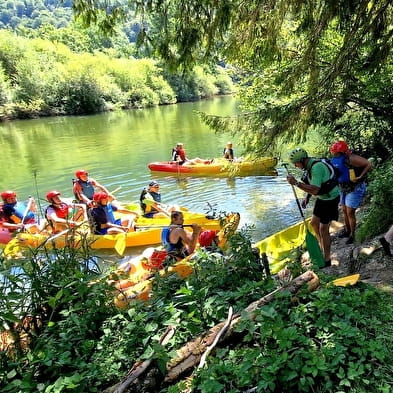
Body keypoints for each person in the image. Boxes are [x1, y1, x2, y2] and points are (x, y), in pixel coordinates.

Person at [286, 148, 340, 267]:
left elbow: (315, 189)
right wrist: (307, 197)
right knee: (314, 223)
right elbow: (314, 185)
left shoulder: (317, 167)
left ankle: (327, 259)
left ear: (302, 160)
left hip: (330, 199)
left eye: (296, 163)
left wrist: (296, 183)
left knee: (323, 229)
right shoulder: (310, 166)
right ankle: (321, 246)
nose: (296, 166)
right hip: (322, 198)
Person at [330, 141, 372, 244]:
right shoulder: (334, 159)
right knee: (344, 210)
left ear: (340, 151)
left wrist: (361, 176)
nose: (333, 152)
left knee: (350, 212)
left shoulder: (351, 158)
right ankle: (347, 230)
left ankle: (352, 235)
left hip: (355, 187)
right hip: (343, 187)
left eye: (335, 151)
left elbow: (368, 164)